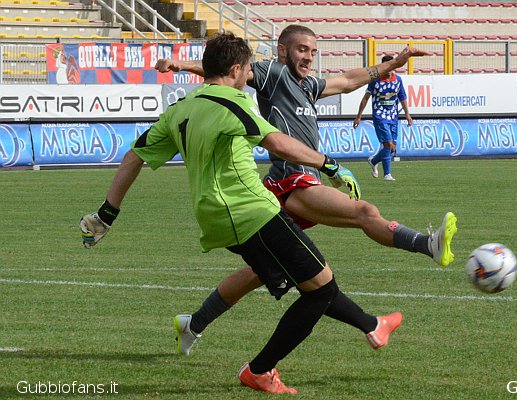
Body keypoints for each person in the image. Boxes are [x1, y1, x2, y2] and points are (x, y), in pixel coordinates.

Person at [80, 33, 400, 395]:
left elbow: (134, 157)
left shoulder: (181, 110)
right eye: (248, 69)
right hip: (251, 212)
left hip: (214, 218)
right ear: (235, 70)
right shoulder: (234, 104)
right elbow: (278, 141)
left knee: (298, 278)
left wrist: (107, 213)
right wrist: (328, 164)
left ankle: (371, 325)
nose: (250, 75)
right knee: (321, 290)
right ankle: (260, 370)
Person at [154, 24, 457, 355]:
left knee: (261, 272)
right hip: (290, 181)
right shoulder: (273, 74)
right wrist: (183, 67)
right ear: (283, 50)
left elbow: (348, 81)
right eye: (302, 50)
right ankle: (427, 245)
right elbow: (227, 71)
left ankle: (193, 323)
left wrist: (392, 64)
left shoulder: (308, 85)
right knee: (363, 212)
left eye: (313, 51)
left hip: (291, 185)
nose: (309, 57)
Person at [353, 55, 412, 181]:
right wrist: (358, 116)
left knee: (392, 147)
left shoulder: (398, 80)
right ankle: (387, 174)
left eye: (391, 65)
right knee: (388, 144)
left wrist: (407, 114)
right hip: (380, 116)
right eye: (386, 66)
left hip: (393, 117)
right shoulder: (375, 80)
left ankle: (374, 161)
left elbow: (402, 97)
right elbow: (365, 99)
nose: (388, 68)